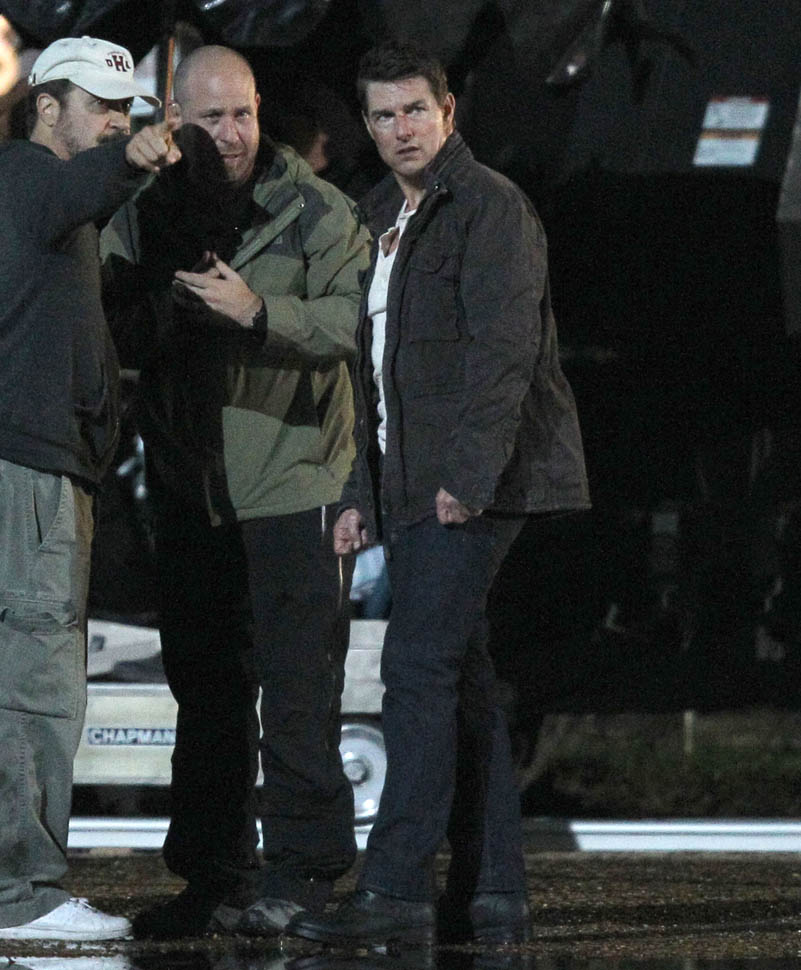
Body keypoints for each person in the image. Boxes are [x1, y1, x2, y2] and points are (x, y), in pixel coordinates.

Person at [285, 41, 590, 947]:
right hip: (407, 483)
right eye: (383, 115)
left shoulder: (490, 206)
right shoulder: (377, 215)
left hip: (470, 485)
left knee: (416, 670)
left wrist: (468, 478)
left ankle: (394, 888)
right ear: (367, 125)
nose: (400, 129)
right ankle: (492, 890)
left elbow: (504, 355)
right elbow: (362, 373)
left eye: (415, 109)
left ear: (447, 112)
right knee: (460, 680)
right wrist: (356, 492)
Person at [100, 45, 371, 938]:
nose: (230, 133)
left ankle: (306, 874)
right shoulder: (147, 208)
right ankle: (213, 877)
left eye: (242, 114)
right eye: (210, 117)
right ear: (176, 119)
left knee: (296, 694)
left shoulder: (315, 208)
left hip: (291, 481)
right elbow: (96, 298)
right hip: (192, 488)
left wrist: (257, 312)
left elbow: (350, 322)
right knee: (207, 696)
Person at [0, 35, 180, 941]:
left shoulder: (41, 202)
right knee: (34, 683)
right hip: (29, 476)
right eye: (99, 106)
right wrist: (133, 159)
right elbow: (85, 187)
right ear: (44, 106)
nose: (115, 121)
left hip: (32, 466)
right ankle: (19, 896)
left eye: (125, 110)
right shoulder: (30, 177)